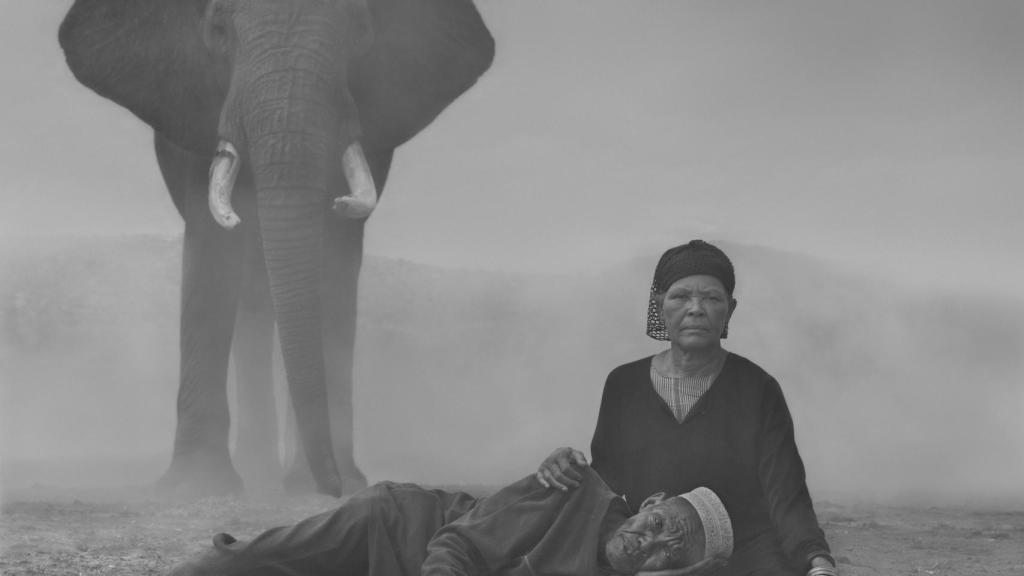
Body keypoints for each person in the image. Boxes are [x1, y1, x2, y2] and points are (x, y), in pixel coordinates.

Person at [536, 240, 838, 576]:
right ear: (659, 303)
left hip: (745, 555)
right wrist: (565, 464)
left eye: (711, 298)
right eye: (681, 297)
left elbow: (787, 495)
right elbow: (605, 485)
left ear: (730, 309)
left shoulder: (758, 388)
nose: (696, 309)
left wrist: (817, 561)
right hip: (655, 553)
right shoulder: (624, 385)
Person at [165, 465, 733, 576]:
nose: (648, 545)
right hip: (393, 527)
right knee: (247, 561)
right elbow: (457, 546)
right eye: (659, 526)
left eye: (668, 555)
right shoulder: (573, 488)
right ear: (653, 501)